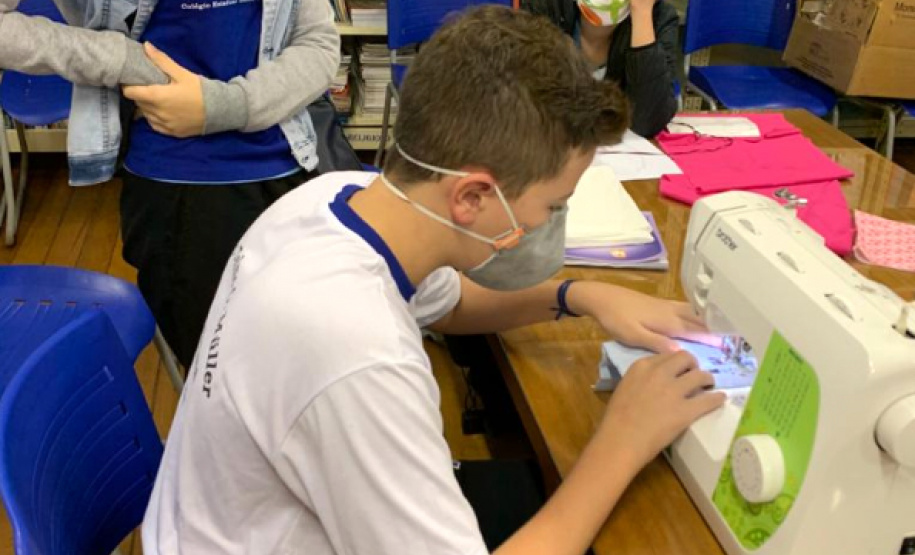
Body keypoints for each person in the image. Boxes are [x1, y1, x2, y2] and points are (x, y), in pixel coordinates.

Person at [142, 6, 725, 554]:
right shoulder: (360, 354)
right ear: (472, 195)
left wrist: (579, 295)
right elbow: (366, 359)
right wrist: (624, 439)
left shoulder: (332, 199)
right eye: (552, 206)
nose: (549, 224)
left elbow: (447, 303)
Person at [0, 0, 340, 368]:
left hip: (291, 159)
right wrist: (120, 59)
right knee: (225, 374)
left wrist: (223, 105)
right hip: (179, 182)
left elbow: (318, 43)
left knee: (300, 362)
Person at [522, 0, 679, 137]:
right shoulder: (545, 7)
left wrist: (642, 14)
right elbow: (531, 108)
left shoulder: (659, 17)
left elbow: (648, 122)